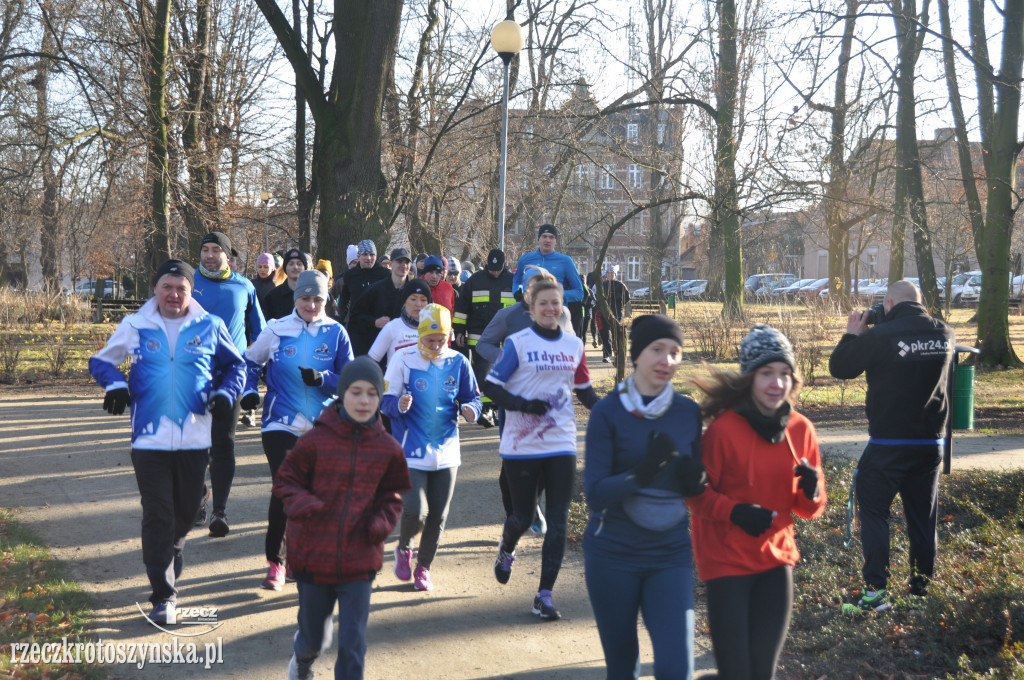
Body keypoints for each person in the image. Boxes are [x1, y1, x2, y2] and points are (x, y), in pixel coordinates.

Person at [89, 259, 245, 622]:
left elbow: (237, 366)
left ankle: (197, 504)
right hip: (149, 440)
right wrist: (113, 383)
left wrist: (225, 393)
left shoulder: (210, 325)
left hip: (195, 437)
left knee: (185, 516)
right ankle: (163, 595)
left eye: (181, 289)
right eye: (167, 288)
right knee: (158, 514)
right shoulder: (137, 325)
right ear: (155, 290)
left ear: (191, 292)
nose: (174, 295)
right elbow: (101, 360)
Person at [688, 324, 827, 680]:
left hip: (776, 559)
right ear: (749, 377)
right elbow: (696, 496)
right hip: (725, 561)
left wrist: (812, 491)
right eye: (767, 373)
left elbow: (807, 509)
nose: (776, 383)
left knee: (762, 673)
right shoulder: (723, 430)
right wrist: (735, 512)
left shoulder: (801, 429)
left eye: (784, 374)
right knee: (736, 673)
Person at [273, 357, 411, 680]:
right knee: (314, 639)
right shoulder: (314, 441)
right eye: (355, 392)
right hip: (313, 558)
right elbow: (285, 481)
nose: (364, 401)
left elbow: (393, 499)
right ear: (341, 394)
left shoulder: (389, 450)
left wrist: (379, 526)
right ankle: (302, 660)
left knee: (353, 643)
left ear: (380, 398)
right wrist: (305, 505)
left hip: (360, 561)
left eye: (372, 394)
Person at [584, 315, 705, 680]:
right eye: (657, 350)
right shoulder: (608, 412)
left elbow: (697, 482)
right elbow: (594, 494)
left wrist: (697, 480)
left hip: (669, 554)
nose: (666, 361)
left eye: (674, 352)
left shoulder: (688, 412)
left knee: (676, 667)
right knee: (623, 669)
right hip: (613, 554)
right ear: (637, 355)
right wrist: (642, 473)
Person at [828, 279, 954, 610]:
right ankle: (921, 592)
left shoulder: (879, 337)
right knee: (922, 518)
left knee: (874, 512)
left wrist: (853, 334)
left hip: (888, 445)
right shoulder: (945, 334)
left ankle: (876, 593)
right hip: (929, 445)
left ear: (888, 305)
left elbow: (840, 367)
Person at [483, 268, 599, 620]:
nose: (550, 309)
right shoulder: (518, 344)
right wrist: (522, 405)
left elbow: (586, 392)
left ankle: (544, 595)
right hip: (522, 442)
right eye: (543, 303)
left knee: (560, 519)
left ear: (563, 307)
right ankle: (507, 548)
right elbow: (491, 386)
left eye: (556, 303)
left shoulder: (574, 345)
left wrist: (617, 410)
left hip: (561, 440)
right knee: (522, 515)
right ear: (531, 308)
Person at [240, 270, 354, 591]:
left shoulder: (336, 332)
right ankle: (276, 562)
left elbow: (351, 376)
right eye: (305, 297)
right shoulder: (276, 329)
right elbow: (249, 362)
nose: (311, 304)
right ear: (296, 298)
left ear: (326, 299)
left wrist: (324, 380)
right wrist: (249, 391)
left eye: (318, 298)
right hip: (281, 422)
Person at [380, 304, 481, 591]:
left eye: (441, 339)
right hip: (411, 449)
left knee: (438, 514)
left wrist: (472, 410)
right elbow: (384, 402)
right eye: (430, 340)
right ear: (420, 336)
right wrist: (397, 404)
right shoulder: (403, 359)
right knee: (416, 511)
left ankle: (423, 568)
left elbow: (472, 397)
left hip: (448, 450)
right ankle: (404, 548)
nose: (436, 346)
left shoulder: (458, 362)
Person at [476, 264, 573, 530]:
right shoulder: (508, 315)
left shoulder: (562, 314)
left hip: (550, 401)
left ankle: (532, 506)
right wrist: (509, 360)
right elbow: (483, 343)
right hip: (514, 400)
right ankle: (518, 514)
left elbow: (572, 347)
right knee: (513, 460)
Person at [192, 231, 266, 536]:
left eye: (216, 251)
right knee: (192, 443)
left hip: (229, 376)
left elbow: (258, 330)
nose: (210, 255)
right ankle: (197, 496)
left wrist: (255, 366)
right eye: (205, 250)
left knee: (223, 441)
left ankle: (219, 512)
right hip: (191, 374)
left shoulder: (244, 286)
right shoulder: (188, 283)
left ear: (228, 256)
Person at [452, 248, 515, 428]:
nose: (495, 272)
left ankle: (498, 406)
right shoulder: (475, 281)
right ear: (487, 264)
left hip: (506, 339)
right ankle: (485, 408)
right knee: (483, 372)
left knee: (505, 372)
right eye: (492, 268)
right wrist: (459, 331)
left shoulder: (513, 281)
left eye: (498, 268)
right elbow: (462, 308)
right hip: (478, 337)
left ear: (504, 265)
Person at [511, 224, 585, 336]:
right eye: (544, 236)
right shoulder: (525, 259)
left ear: (556, 241)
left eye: (551, 237)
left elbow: (579, 292)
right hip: (529, 314)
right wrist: (517, 291)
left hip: (556, 316)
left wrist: (557, 295)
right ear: (538, 239)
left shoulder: (566, 261)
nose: (547, 240)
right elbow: (517, 281)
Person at [349, 247, 417, 355]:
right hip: (379, 353)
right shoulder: (375, 290)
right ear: (391, 264)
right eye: (399, 261)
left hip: (408, 351)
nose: (404, 265)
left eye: (407, 262)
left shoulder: (416, 291)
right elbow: (355, 317)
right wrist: (374, 322)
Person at [367, 279, 432, 366]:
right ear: (404, 302)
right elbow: (370, 362)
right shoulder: (392, 327)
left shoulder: (434, 328)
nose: (418, 304)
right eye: (413, 299)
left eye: (423, 300)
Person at [338, 239, 390, 342]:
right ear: (358, 256)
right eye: (365, 254)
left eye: (372, 254)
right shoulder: (350, 275)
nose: (369, 258)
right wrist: (342, 319)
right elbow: (344, 299)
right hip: (357, 328)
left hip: (379, 329)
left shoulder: (386, 275)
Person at [263, 248, 312, 321]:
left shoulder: (313, 294)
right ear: (285, 268)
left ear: (305, 267)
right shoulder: (272, 296)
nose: (295, 267)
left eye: (299, 264)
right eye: (291, 264)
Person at [598, 265, 629, 363]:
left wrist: (617, 298)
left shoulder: (620, 285)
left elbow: (627, 297)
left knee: (616, 333)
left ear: (615, 274)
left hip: (617, 313)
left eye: (612, 273)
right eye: (609, 273)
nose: (611, 275)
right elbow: (598, 296)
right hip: (605, 313)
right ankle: (606, 354)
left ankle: (617, 354)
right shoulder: (603, 284)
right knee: (605, 334)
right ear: (606, 275)